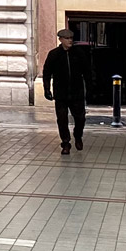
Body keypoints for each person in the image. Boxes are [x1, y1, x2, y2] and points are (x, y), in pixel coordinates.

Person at [42, 26, 89, 155]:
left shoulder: (79, 53)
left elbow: (87, 72)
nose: (70, 41)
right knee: (62, 120)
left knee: (80, 118)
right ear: (60, 39)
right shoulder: (54, 54)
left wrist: (88, 88)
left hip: (76, 93)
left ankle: (78, 135)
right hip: (61, 94)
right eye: (67, 38)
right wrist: (47, 89)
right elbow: (47, 73)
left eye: (71, 38)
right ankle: (66, 143)